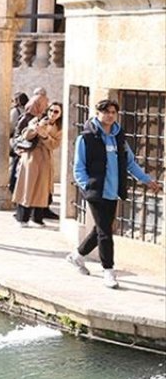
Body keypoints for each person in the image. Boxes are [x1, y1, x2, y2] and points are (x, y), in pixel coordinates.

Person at [68, 99, 163, 288]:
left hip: (112, 191)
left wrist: (146, 180)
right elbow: (78, 167)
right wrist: (87, 186)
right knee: (105, 232)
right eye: (106, 111)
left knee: (101, 230)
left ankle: (76, 256)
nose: (110, 115)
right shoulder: (85, 138)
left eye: (113, 112)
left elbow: (130, 163)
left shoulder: (119, 138)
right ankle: (108, 271)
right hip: (95, 192)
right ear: (97, 112)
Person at [12, 102, 62, 226]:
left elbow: (55, 144)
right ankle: (22, 218)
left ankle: (37, 218)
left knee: (42, 189)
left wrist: (45, 136)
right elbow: (26, 136)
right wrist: (36, 128)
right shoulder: (37, 120)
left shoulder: (59, 128)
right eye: (51, 110)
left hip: (45, 159)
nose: (52, 114)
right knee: (27, 187)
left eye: (56, 112)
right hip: (31, 157)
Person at [7, 92, 31, 191]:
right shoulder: (29, 111)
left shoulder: (15, 111)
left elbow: (11, 127)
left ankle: (12, 186)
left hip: (17, 140)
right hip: (26, 141)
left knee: (13, 164)